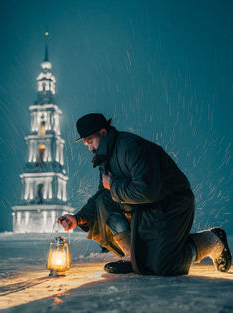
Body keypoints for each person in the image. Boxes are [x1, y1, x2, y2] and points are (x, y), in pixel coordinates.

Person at [58, 113, 232, 275]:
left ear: (103, 132)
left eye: (90, 141)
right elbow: (102, 194)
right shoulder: (105, 156)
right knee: (104, 200)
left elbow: (147, 191)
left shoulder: (130, 147)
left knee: (163, 265)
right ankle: (131, 256)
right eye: (86, 143)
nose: (89, 148)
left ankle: (211, 241)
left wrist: (113, 185)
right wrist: (78, 218)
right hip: (141, 206)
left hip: (170, 204)